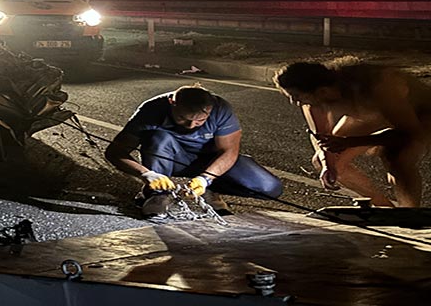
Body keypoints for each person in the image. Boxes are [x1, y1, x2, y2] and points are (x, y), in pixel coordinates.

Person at [105, 85, 284, 215]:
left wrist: (205, 179)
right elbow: (115, 152)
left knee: (270, 188)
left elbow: (229, 151)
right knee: (158, 137)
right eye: (183, 118)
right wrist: (146, 174)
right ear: (172, 103)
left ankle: (209, 189)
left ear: (210, 109)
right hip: (171, 157)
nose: (191, 125)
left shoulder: (221, 109)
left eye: (199, 121)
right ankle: (157, 194)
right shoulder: (152, 109)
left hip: (209, 161)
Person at [274, 61, 431, 207]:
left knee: (396, 158)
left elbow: (408, 133)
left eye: (296, 97)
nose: (295, 103)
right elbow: (321, 139)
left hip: (419, 114)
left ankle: (410, 211)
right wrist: (328, 165)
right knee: (328, 161)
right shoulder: (312, 99)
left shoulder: (379, 86)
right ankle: (384, 207)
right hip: (373, 113)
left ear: (322, 91)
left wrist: (350, 142)